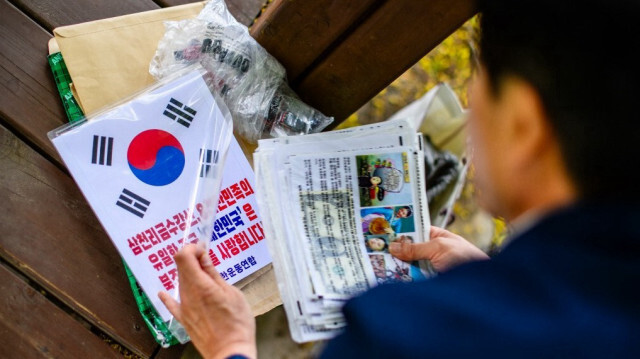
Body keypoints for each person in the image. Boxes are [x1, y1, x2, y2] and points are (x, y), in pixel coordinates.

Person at [159, 0, 640, 357]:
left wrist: (229, 346)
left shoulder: (405, 336)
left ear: (523, 124)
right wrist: (501, 281)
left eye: (479, 90)